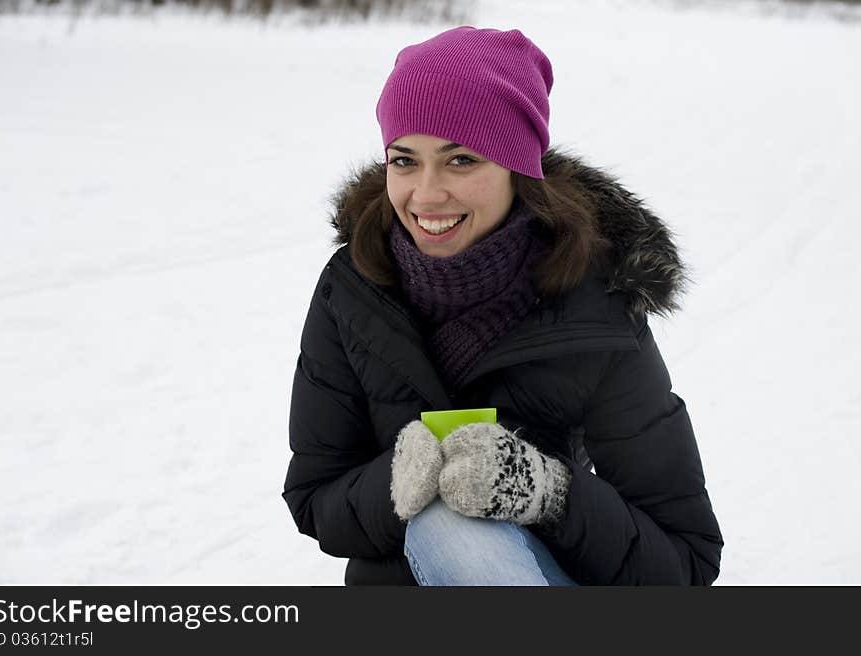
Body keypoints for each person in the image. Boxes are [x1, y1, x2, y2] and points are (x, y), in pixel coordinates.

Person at [283, 25, 723, 585]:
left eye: (461, 160)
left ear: (518, 167)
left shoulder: (597, 303)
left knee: (454, 526)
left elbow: (686, 561)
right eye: (404, 160)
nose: (426, 194)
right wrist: (391, 485)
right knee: (441, 520)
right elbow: (315, 500)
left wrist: (549, 493)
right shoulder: (350, 289)